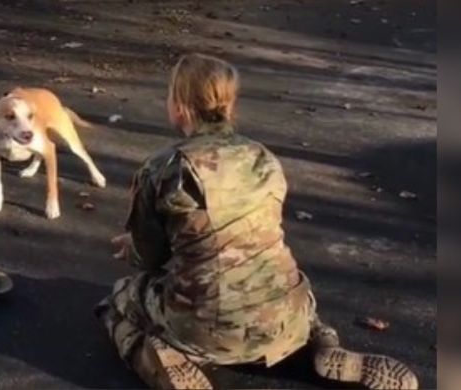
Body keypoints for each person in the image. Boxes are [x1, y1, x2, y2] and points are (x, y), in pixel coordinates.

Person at [95, 53, 418, 390]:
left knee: (120, 300)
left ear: (179, 105)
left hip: (208, 324)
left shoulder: (163, 168)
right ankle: (322, 347)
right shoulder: (263, 157)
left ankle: (161, 358)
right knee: (291, 292)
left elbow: (151, 257)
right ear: (230, 104)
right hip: (284, 313)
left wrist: (130, 249)